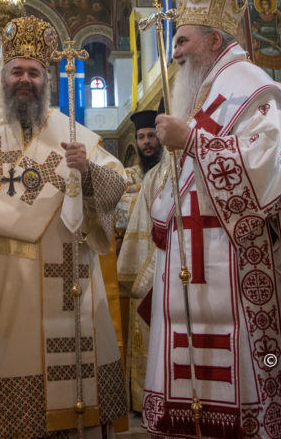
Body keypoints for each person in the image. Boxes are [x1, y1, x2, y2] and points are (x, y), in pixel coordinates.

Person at [0, 15, 128, 438]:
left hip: (67, 281)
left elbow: (119, 185)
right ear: (3, 77)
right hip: (3, 287)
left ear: (47, 79)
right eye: (17, 71)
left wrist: (89, 172)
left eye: (33, 73)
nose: (25, 79)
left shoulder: (75, 135)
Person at [142, 0, 281, 437]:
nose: (174, 52)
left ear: (215, 39)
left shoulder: (253, 90)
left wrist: (194, 143)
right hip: (191, 270)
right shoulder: (204, 95)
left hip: (239, 274)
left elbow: (267, 173)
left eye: (182, 40)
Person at [116, 109, 164, 411]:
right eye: (142, 137)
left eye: (151, 136)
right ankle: (143, 397)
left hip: (169, 264)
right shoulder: (127, 178)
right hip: (141, 268)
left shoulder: (174, 171)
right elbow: (118, 225)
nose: (147, 143)